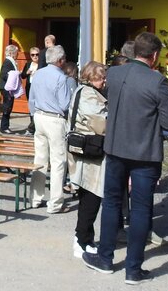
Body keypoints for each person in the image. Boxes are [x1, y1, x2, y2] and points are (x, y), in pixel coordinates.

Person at [82, 33, 168, 285]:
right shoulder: (157, 80)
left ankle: (105, 258)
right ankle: (133, 269)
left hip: (115, 148)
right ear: (154, 55)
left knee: (112, 203)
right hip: (145, 153)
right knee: (141, 208)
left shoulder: (113, 74)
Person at [28, 44, 75, 214]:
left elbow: (31, 99)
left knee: (40, 159)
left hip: (39, 116)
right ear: (60, 60)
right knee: (58, 161)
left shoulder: (38, 74)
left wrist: (34, 115)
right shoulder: (61, 78)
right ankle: (55, 203)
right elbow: (64, 104)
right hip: (55, 119)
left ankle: (35, 198)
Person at [68, 61, 107, 259]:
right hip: (90, 151)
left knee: (87, 195)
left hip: (83, 149)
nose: (104, 81)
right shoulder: (89, 95)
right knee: (91, 195)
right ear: (90, 78)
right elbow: (101, 124)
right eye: (100, 78)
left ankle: (85, 238)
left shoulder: (81, 91)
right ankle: (81, 240)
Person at [0, 44, 20, 133]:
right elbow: (4, 74)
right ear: (11, 53)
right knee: (7, 106)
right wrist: (14, 76)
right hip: (6, 87)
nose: (17, 55)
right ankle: (4, 127)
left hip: (8, 87)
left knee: (8, 106)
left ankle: (5, 126)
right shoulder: (8, 62)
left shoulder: (11, 62)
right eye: (16, 53)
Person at [20, 46, 41, 135]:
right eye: (33, 55)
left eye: (37, 54)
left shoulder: (41, 65)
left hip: (38, 88)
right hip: (29, 87)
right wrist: (27, 73)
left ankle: (37, 127)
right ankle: (32, 125)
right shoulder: (28, 64)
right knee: (31, 107)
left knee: (38, 106)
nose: (35, 56)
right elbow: (22, 76)